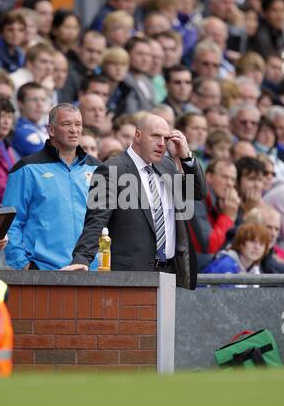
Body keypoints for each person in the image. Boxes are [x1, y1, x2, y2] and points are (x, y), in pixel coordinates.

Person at [62, 114, 207, 290]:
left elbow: (197, 192)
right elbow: (96, 220)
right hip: (131, 276)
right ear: (138, 135)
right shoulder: (112, 169)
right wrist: (82, 258)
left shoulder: (167, 166)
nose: (162, 143)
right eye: (155, 136)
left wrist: (186, 158)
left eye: (166, 138)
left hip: (171, 272)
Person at [3, 104, 100, 270]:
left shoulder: (97, 168)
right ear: (51, 130)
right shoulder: (26, 168)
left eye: (78, 124)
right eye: (66, 124)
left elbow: (104, 220)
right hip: (43, 270)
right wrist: (24, 264)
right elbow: (11, 221)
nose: (74, 130)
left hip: (90, 270)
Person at [203, 222, 270, 275]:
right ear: (241, 243)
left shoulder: (255, 269)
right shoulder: (225, 265)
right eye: (252, 241)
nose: (257, 247)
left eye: (261, 244)